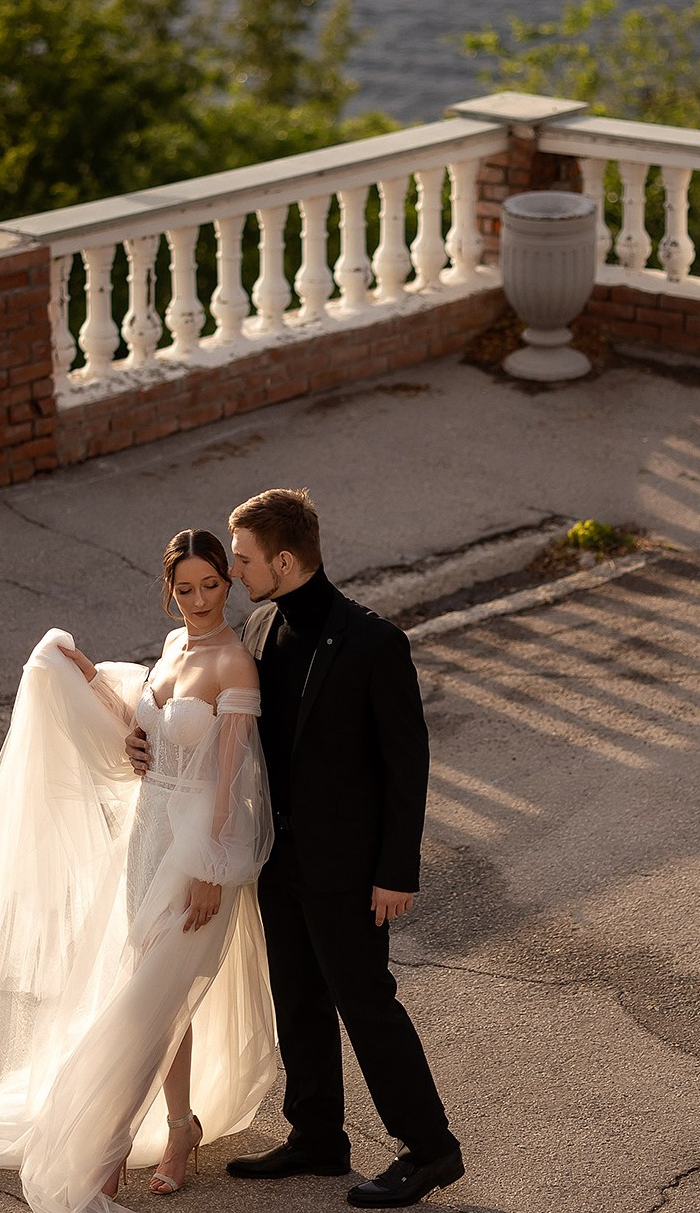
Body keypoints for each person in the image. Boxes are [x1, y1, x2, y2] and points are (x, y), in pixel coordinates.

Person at [0, 530, 276, 1213]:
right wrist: (107, 704)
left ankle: (106, 1148)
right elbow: (144, 722)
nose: (197, 601)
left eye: (210, 585)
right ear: (169, 590)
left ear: (228, 581)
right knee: (156, 993)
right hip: (149, 830)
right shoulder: (171, 648)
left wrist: (213, 868)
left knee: (150, 1000)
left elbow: (231, 779)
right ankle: (180, 1125)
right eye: (184, 588)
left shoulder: (234, 665)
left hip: (197, 844)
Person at [128, 489, 463, 1208]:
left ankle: (430, 1148)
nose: (235, 569)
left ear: (283, 558)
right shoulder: (259, 629)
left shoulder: (373, 643)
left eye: (243, 558)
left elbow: (407, 766)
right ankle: (317, 1135)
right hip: (276, 858)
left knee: (365, 1003)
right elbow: (226, 731)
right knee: (298, 999)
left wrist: (394, 871)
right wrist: (143, 737)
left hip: (347, 868)